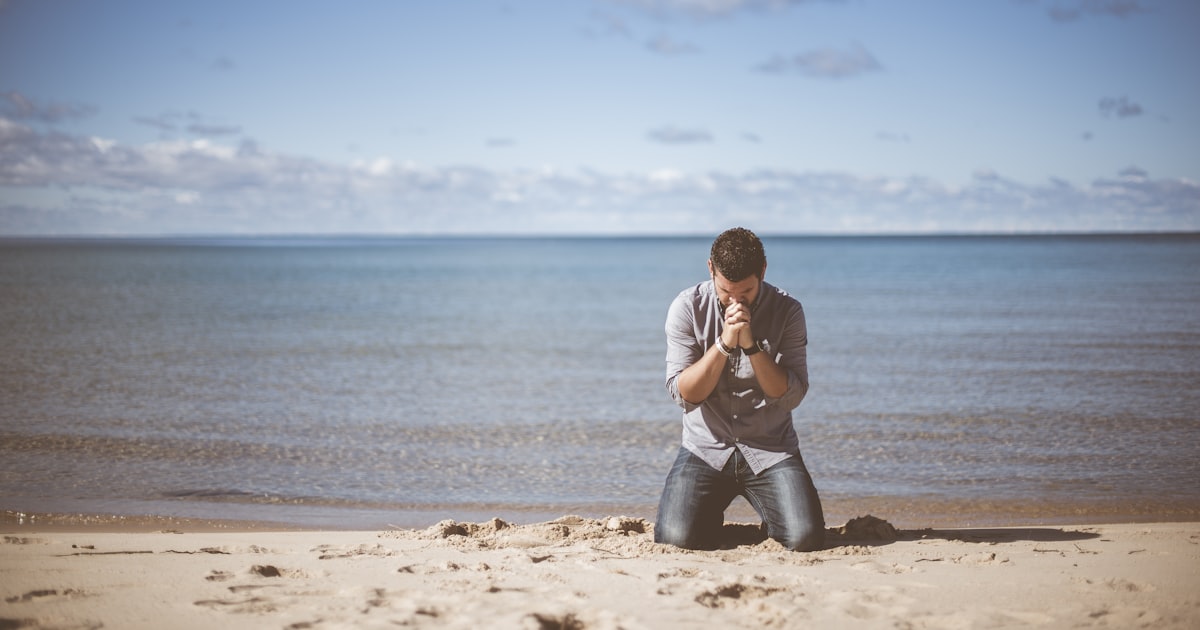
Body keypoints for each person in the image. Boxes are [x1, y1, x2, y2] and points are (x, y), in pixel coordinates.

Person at [654, 227, 825, 551]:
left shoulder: (788, 310)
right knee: (674, 540)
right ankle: (706, 517)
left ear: (763, 271)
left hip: (771, 448)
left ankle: (771, 516)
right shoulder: (688, 306)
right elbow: (684, 395)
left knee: (805, 539)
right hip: (705, 447)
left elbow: (790, 396)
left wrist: (751, 346)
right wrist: (723, 344)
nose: (735, 301)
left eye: (746, 291)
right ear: (711, 269)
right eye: (725, 291)